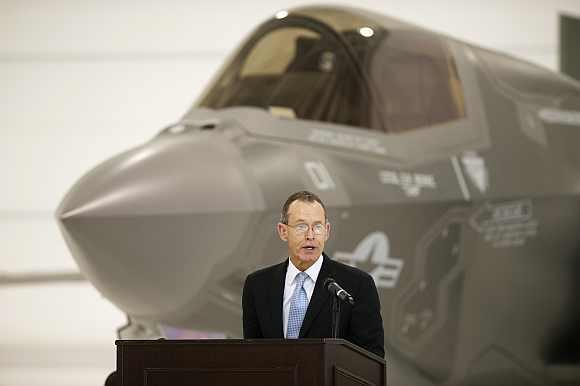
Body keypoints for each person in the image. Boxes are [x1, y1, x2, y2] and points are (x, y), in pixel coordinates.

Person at [242, 191, 385, 357]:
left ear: (327, 231)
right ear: (283, 231)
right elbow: (252, 356)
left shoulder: (357, 285)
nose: (310, 236)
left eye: (317, 227)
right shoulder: (257, 285)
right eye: (301, 226)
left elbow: (371, 359)